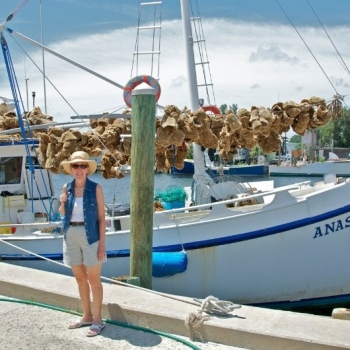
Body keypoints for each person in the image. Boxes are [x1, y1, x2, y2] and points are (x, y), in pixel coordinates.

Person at [59, 151, 107, 337]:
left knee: (94, 279)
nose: (79, 169)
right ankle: (86, 316)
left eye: (83, 166)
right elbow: (63, 214)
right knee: (80, 278)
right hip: (70, 235)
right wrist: (62, 202)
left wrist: (102, 245)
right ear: (71, 169)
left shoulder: (96, 188)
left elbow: (102, 219)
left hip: (91, 236)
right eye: (75, 166)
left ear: (88, 168)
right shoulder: (66, 187)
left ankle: (98, 319)